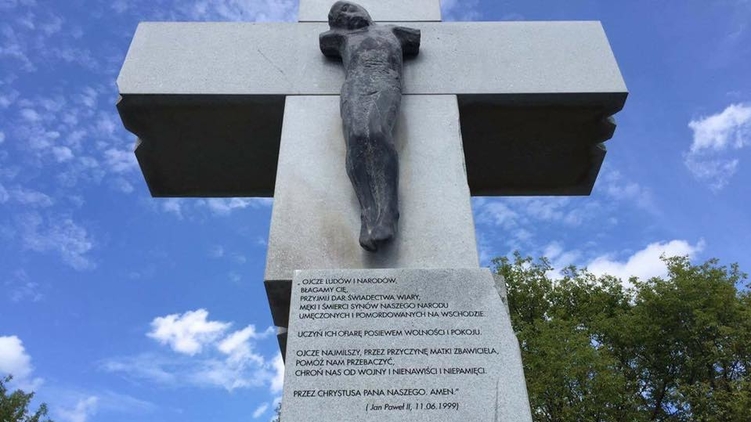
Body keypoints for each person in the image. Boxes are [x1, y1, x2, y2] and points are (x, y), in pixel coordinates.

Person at [319, 1, 420, 252]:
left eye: (348, 7)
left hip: (384, 80)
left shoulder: (395, 31)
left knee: (375, 131)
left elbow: (415, 40)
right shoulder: (339, 38)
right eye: (339, 15)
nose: (347, 14)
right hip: (354, 86)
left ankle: (388, 212)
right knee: (355, 137)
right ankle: (368, 214)